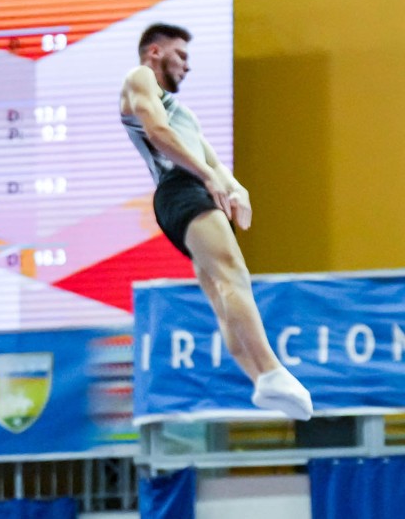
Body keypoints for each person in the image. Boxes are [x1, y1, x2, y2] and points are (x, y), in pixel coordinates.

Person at [119, 23, 313, 420]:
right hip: (180, 189)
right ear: (155, 52)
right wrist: (207, 177)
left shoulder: (185, 115)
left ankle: (259, 379)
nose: (187, 66)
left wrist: (237, 190)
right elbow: (157, 131)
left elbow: (216, 163)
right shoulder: (139, 78)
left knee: (222, 296)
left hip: (190, 191)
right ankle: (272, 370)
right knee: (233, 275)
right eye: (181, 55)